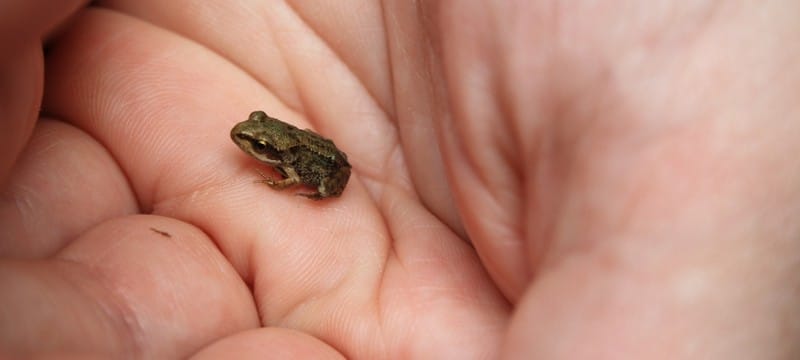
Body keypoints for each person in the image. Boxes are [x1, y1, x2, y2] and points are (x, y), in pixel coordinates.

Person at [1, 1, 798, 358]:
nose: (247, 143)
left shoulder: (282, 161)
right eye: (251, 139)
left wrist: (294, 184)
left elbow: (309, 166)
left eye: (250, 139)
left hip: (329, 163)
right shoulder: (266, 141)